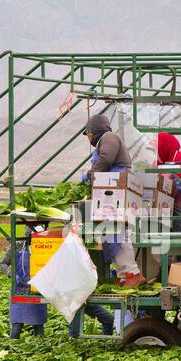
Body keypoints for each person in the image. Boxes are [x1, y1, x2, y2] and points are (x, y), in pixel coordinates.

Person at [80, 114, 144, 288]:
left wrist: (91, 175)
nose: (89, 138)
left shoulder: (109, 138)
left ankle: (132, 274)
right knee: (112, 232)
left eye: (89, 133)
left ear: (94, 130)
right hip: (111, 190)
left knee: (117, 232)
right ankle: (125, 274)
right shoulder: (107, 140)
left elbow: (106, 159)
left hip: (115, 189)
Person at [0, 231, 47, 339]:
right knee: (17, 326)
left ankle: (40, 351)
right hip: (19, 290)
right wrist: (11, 274)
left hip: (37, 290)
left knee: (38, 326)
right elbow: (2, 264)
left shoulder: (43, 245)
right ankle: (11, 351)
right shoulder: (17, 245)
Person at [155, 132, 181, 231]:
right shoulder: (164, 158)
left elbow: (178, 184)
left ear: (163, 147)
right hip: (170, 200)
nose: (156, 153)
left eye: (157, 149)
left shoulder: (180, 158)